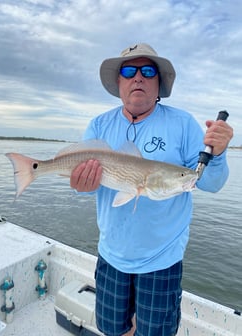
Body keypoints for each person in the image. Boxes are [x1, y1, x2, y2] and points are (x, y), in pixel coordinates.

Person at [70, 43, 233, 336]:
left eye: (148, 71)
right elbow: (86, 187)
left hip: (162, 257)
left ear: (159, 82)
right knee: (110, 327)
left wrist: (218, 154)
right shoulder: (99, 125)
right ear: (118, 82)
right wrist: (81, 185)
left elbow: (208, 182)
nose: (138, 77)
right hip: (112, 252)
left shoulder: (182, 123)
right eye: (128, 71)